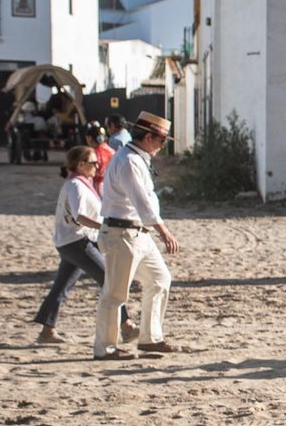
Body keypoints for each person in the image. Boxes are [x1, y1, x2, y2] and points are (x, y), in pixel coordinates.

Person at [93, 111, 180, 360]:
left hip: (137, 233)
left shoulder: (136, 158)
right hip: (122, 233)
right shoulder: (129, 160)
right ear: (149, 137)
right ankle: (105, 348)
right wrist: (163, 231)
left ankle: (150, 339)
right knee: (115, 293)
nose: (162, 147)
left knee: (160, 279)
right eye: (162, 141)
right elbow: (141, 201)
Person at [32, 147, 136, 346]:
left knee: (62, 286)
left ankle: (47, 330)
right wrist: (104, 226)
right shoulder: (76, 186)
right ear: (80, 165)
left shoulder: (79, 183)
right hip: (77, 241)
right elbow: (80, 215)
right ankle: (127, 326)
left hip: (70, 241)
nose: (97, 166)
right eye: (92, 162)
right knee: (110, 279)